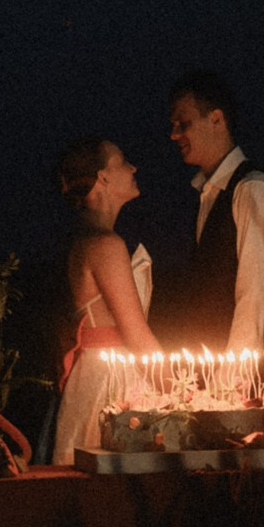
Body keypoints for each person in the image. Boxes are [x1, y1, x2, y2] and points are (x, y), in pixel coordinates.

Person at [45, 137, 160, 466]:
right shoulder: (106, 245)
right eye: (123, 161)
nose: (133, 168)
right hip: (110, 380)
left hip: (93, 373)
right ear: (103, 177)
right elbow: (136, 335)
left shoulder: (82, 239)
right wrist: (186, 391)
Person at [159, 70, 264, 352]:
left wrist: (232, 383)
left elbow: (255, 295)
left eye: (183, 124)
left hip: (237, 383)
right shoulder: (208, 194)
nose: (174, 135)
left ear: (217, 119)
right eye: (173, 125)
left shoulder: (252, 189)